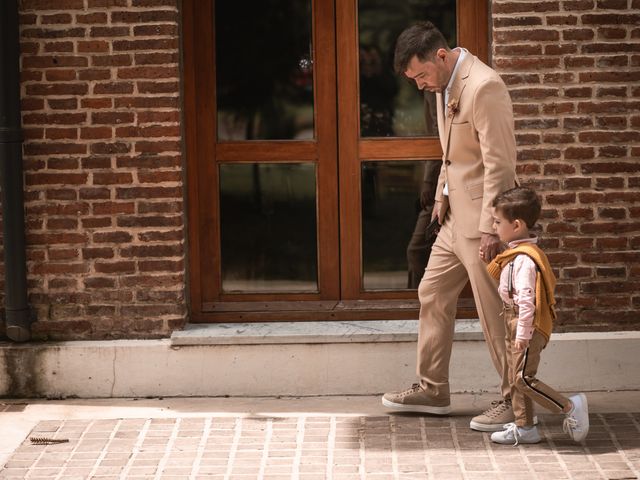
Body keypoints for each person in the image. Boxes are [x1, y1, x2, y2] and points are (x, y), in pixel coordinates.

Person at [382, 21, 519, 432]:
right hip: (453, 216)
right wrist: (442, 194)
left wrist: (494, 227)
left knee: (494, 313)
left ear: (440, 56)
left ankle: (515, 399)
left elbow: (500, 164)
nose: (420, 84)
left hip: (482, 223)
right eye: (413, 79)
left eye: (421, 75)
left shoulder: (484, 87)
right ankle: (433, 389)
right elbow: (453, 155)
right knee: (431, 292)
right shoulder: (444, 86)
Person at [486, 187, 589, 444]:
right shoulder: (514, 254)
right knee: (514, 377)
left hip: (525, 323)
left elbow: (527, 302)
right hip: (512, 319)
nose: (493, 225)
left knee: (523, 378)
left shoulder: (526, 260)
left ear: (517, 225)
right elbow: (508, 288)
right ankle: (525, 428)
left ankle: (569, 406)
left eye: (498, 221)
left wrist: (522, 334)